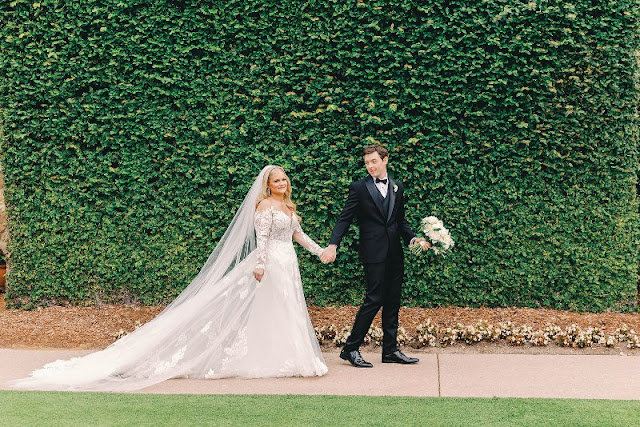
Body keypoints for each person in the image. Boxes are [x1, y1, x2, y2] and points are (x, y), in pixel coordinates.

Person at [12, 166, 328, 391]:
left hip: (288, 264)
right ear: (268, 185)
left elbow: (298, 235)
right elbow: (262, 239)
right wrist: (259, 265)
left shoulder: (287, 207)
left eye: (284, 179)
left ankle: (293, 357)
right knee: (265, 308)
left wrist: (320, 252)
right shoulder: (264, 207)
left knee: (285, 310)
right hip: (269, 263)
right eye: (277, 180)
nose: (282, 183)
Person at [320, 145, 429, 368]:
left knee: (393, 301)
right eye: (367, 162)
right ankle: (350, 348)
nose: (369, 166)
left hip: (395, 253)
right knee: (374, 299)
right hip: (373, 252)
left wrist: (414, 239)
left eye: (373, 161)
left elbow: (400, 221)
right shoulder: (359, 188)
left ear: (385, 160)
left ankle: (390, 350)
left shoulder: (398, 187)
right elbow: (344, 218)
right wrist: (333, 245)